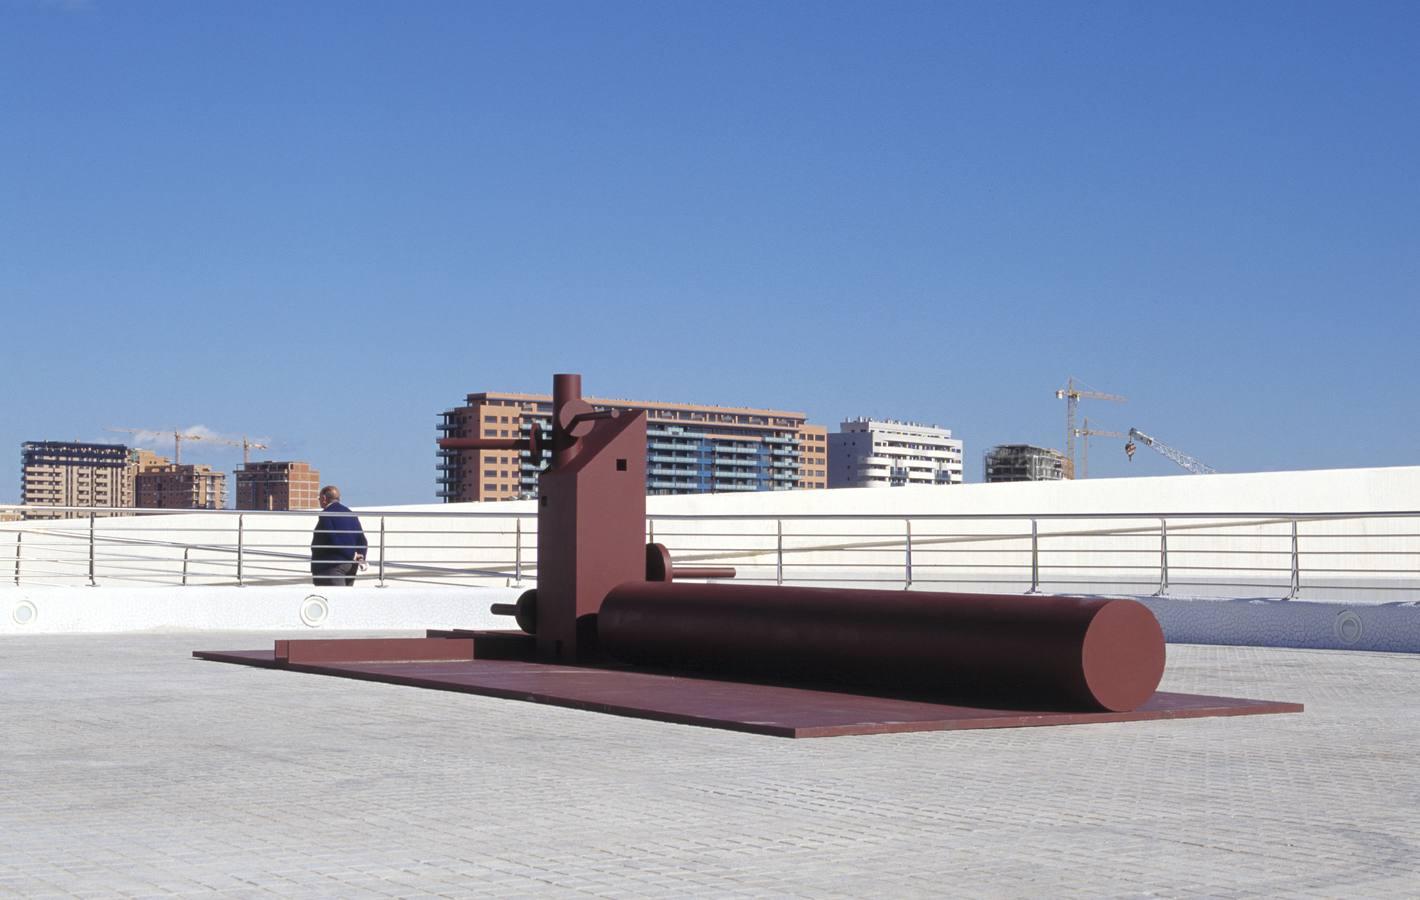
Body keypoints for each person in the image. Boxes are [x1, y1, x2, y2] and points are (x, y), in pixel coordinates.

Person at [310, 485, 367, 586]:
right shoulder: (350, 514)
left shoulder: (326, 514)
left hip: (331, 566)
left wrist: (351, 554)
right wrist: (360, 557)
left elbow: (332, 538)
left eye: (319, 498)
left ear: (324, 498)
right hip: (351, 565)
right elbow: (362, 540)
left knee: (335, 599)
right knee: (346, 599)